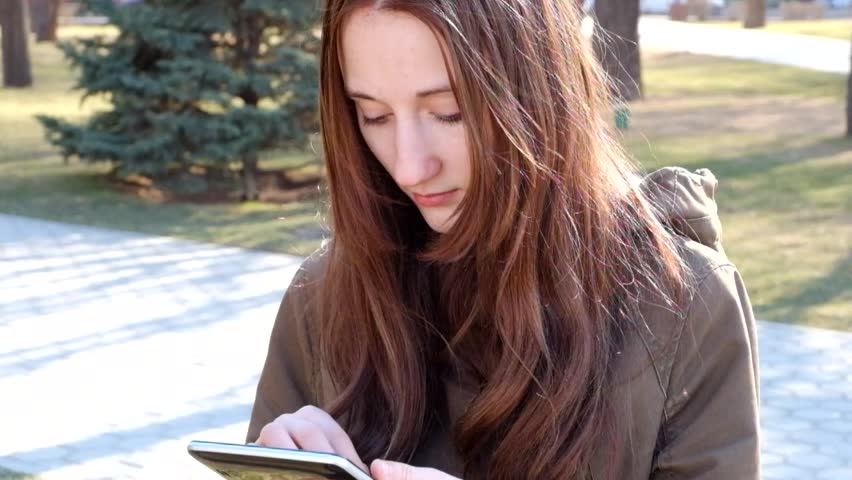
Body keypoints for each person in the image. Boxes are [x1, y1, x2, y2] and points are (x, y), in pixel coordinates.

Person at [246, 1, 760, 479]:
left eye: (449, 112)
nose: (408, 166)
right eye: (374, 115)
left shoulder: (683, 304)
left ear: (542, 93)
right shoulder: (323, 294)